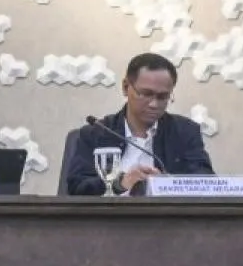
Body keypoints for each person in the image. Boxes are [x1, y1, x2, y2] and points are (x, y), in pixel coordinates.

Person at [66, 51, 215, 196]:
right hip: (108, 213)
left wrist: (168, 185)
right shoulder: (97, 133)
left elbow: (206, 181)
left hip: (165, 213)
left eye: (163, 96)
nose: (154, 104)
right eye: (146, 94)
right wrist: (120, 182)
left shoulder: (185, 132)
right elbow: (77, 187)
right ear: (126, 87)